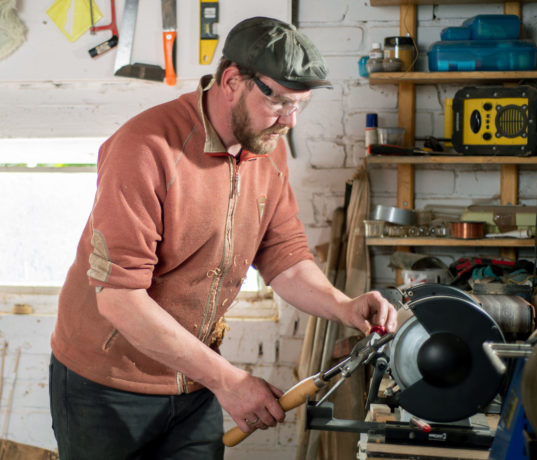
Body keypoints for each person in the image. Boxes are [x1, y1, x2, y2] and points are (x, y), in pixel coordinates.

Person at [49, 16, 397, 460]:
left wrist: (343, 306)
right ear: (232, 81)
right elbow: (120, 299)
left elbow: (285, 259)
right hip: (106, 388)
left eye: (300, 106)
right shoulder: (145, 148)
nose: (290, 121)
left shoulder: (266, 147)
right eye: (280, 102)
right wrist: (229, 381)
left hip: (195, 379)